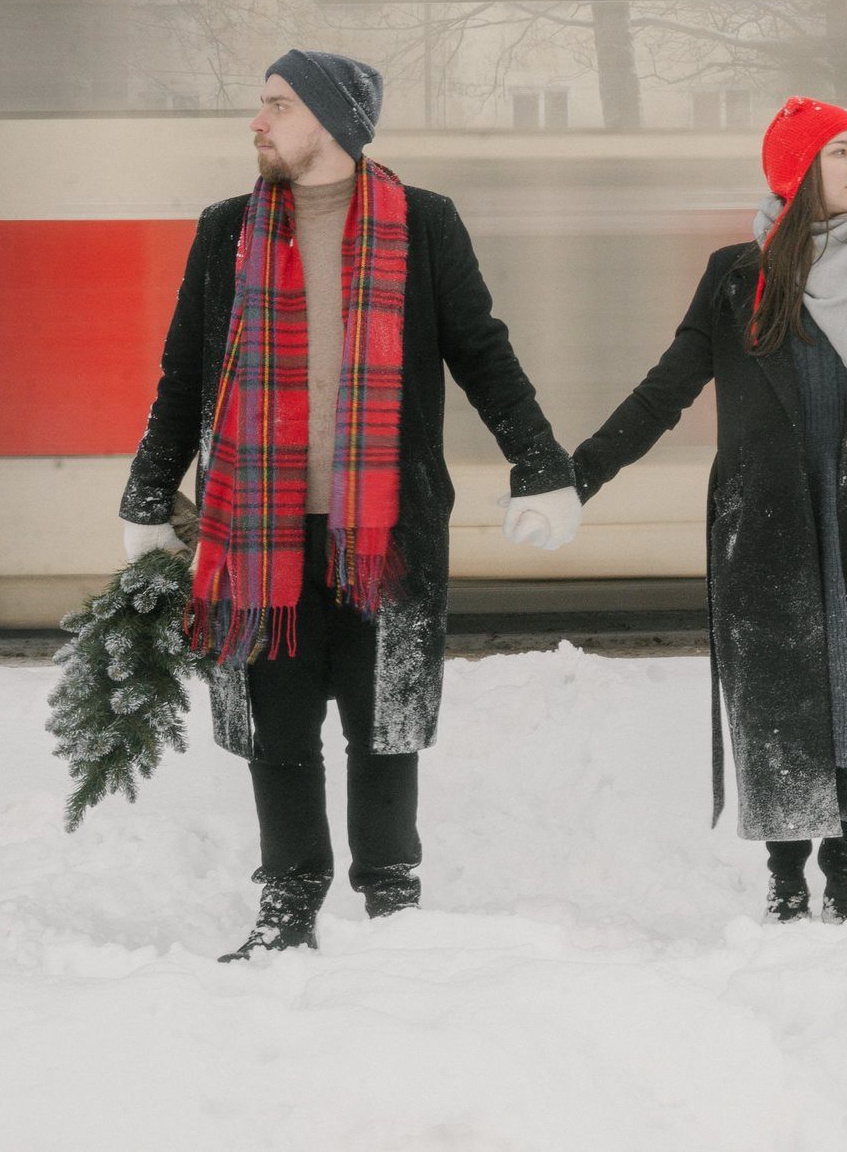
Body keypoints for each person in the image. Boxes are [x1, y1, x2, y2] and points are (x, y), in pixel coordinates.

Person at [119, 49, 584, 961]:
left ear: (332, 123)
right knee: (276, 722)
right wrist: (147, 493)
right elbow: (184, 375)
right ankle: (289, 897)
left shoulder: (424, 225)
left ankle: (391, 899)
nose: (257, 122)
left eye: (278, 105)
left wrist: (542, 463)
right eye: (262, 105)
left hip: (387, 529)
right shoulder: (227, 233)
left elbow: (483, 354)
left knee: (386, 720)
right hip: (261, 529)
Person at [572, 97, 847, 923]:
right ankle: (787, 880)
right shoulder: (737, 279)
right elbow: (664, 393)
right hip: (772, 531)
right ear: (797, 172)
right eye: (839, 152)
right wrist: (575, 477)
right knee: (786, 703)